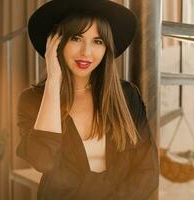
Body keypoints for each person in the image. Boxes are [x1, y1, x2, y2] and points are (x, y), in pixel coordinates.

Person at [16, 0, 159, 199]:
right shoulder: (32, 100)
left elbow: (147, 173)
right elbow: (42, 160)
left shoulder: (127, 96)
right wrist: (53, 81)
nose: (86, 52)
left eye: (98, 41)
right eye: (76, 38)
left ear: (106, 48)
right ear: (57, 42)